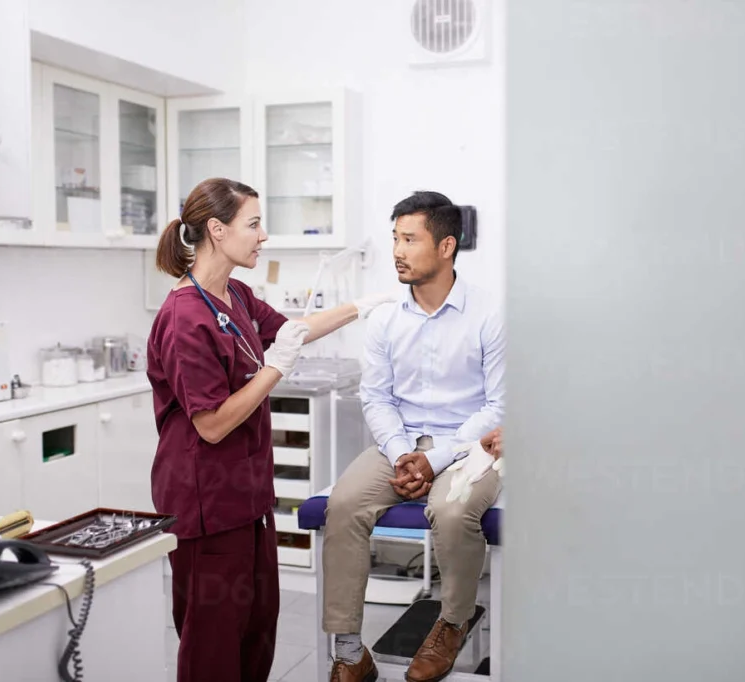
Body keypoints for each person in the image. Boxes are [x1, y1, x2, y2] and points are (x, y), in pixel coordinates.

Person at [147, 177, 394, 682]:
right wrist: (275, 369)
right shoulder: (183, 317)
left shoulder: (234, 294)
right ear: (217, 230)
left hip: (248, 497)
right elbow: (212, 425)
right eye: (254, 224)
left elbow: (292, 332)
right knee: (213, 644)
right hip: (206, 504)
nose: (263, 236)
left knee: (256, 629)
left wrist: (363, 306)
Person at [322, 191, 505, 682]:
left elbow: (498, 406)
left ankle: (452, 622)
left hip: (469, 446)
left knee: (452, 510)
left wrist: (436, 459)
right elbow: (376, 398)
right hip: (399, 443)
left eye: (409, 240)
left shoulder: (489, 313)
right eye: (395, 239)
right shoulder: (386, 317)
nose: (398, 251)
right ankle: (348, 650)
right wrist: (404, 453)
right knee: (344, 504)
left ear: (446, 246)